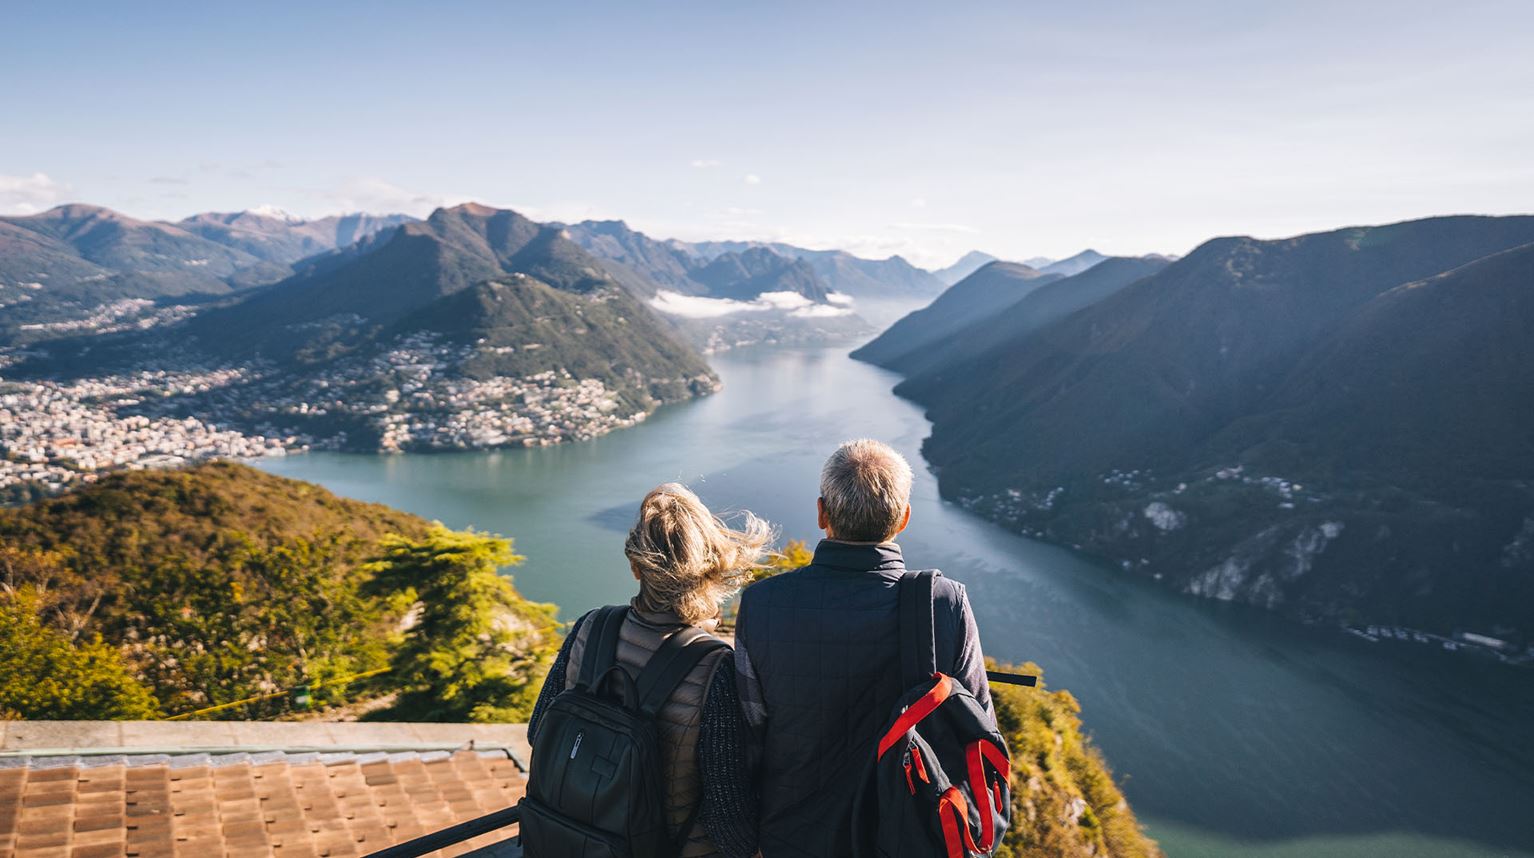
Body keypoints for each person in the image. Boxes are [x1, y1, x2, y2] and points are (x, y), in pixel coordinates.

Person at [734, 439, 993, 858]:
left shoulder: (762, 604)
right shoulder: (944, 603)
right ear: (904, 518)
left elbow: (749, 730)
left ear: (821, 513)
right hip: (907, 837)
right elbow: (978, 727)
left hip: (792, 838)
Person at [528, 483, 765, 858]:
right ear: (711, 568)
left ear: (636, 567)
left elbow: (538, 730)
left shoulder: (591, 627)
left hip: (576, 840)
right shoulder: (715, 666)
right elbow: (726, 816)